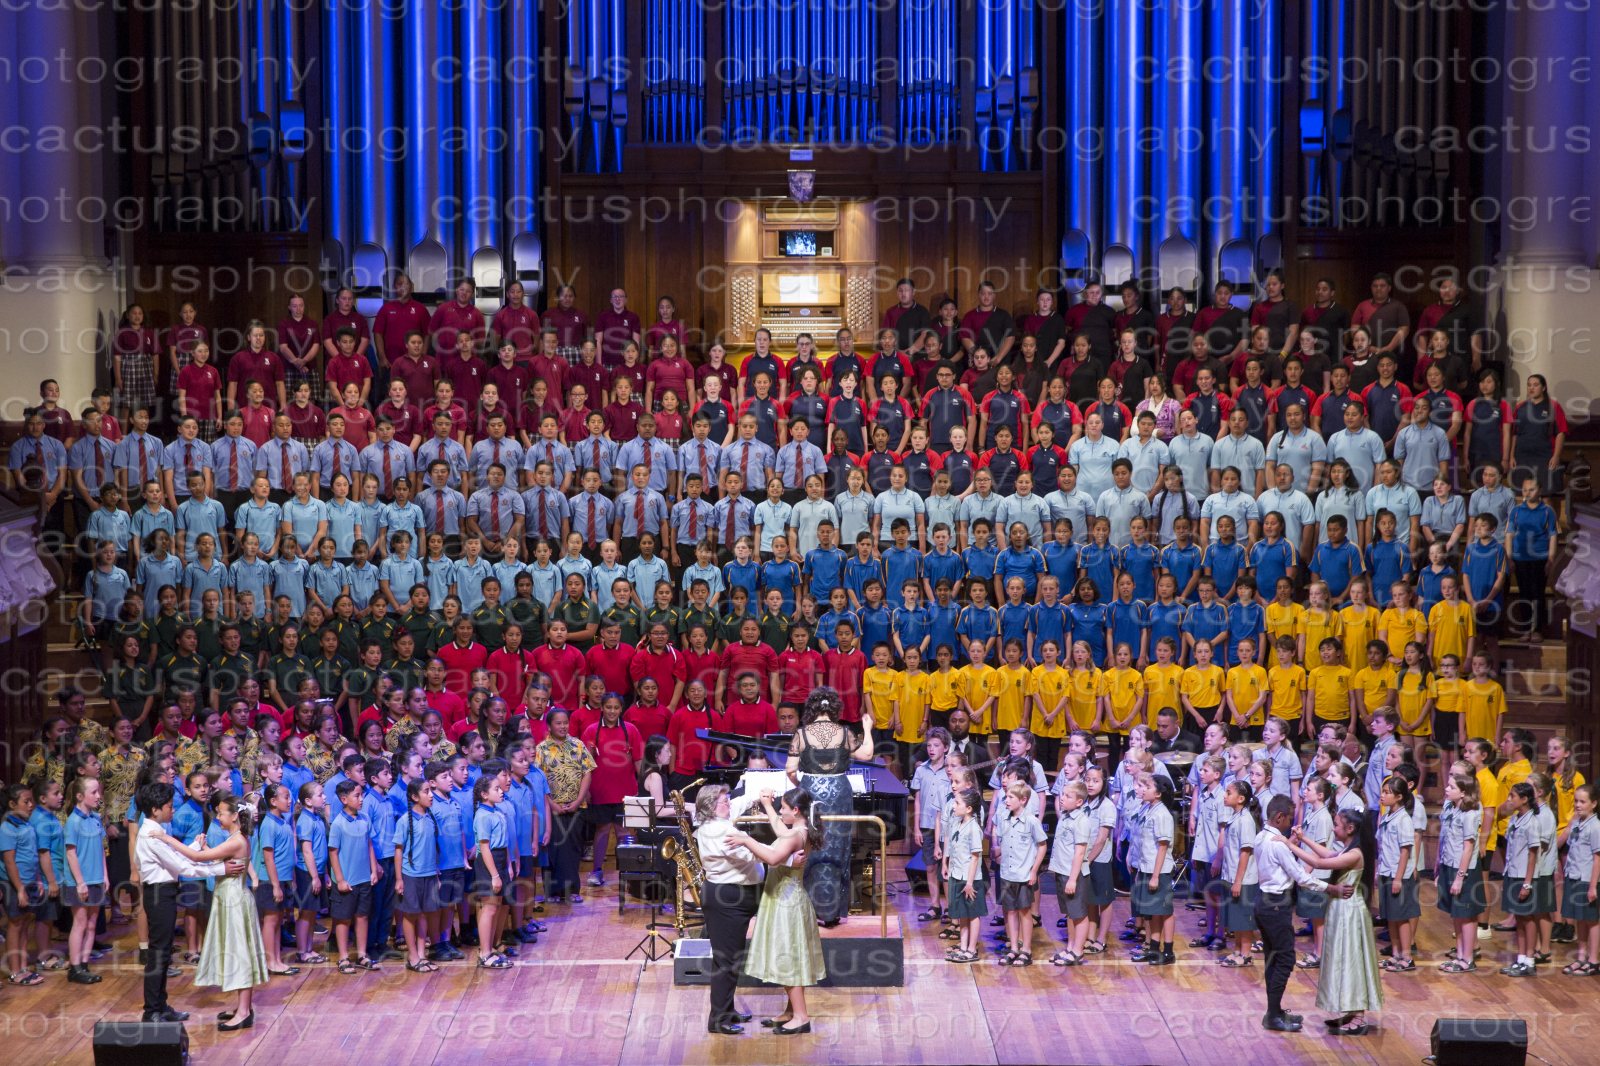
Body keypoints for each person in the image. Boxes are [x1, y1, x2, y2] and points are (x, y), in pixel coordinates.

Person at [151, 792, 270, 1030]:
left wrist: (166, 838)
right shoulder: (237, 838)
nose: (217, 816)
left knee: (239, 954)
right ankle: (243, 1007)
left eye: (221, 813)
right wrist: (206, 847)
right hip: (231, 899)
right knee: (237, 952)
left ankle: (244, 1012)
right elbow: (215, 860)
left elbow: (196, 856)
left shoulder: (236, 841)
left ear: (234, 816)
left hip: (233, 902)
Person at [133, 780, 246, 1022]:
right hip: (159, 894)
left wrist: (196, 845)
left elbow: (176, 857)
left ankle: (160, 1006)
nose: (172, 810)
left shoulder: (157, 832)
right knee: (158, 954)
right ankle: (152, 1010)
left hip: (165, 892)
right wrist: (220, 869)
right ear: (155, 809)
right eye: (169, 806)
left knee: (163, 953)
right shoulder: (153, 835)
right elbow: (184, 867)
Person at [722, 788, 828, 1034]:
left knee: (787, 958)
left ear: (796, 810)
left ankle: (801, 1017)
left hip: (786, 902)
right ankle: (791, 1012)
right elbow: (780, 831)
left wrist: (746, 840)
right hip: (788, 899)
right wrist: (768, 805)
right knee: (789, 956)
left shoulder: (795, 836)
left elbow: (772, 858)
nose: (780, 812)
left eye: (783, 808)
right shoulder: (799, 831)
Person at [1287, 806, 1382, 1034]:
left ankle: (1358, 1018)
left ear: (1350, 829)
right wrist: (1303, 839)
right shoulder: (1348, 849)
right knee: (1343, 959)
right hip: (1342, 910)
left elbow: (1319, 863)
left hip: (1350, 913)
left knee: (1352, 961)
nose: (1333, 828)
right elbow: (1327, 854)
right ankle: (1352, 1011)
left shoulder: (1355, 854)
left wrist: (1289, 845)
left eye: (1337, 825)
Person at [694, 783, 762, 1035]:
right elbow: (755, 855)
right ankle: (718, 1020)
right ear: (713, 808)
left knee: (729, 959)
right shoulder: (720, 831)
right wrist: (783, 853)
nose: (730, 804)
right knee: (726, 961)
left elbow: (737, 804)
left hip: (728, 896)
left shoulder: (713, 821)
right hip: (727, 900)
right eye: (725, 801)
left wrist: (757, 794)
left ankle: (727, 1010)